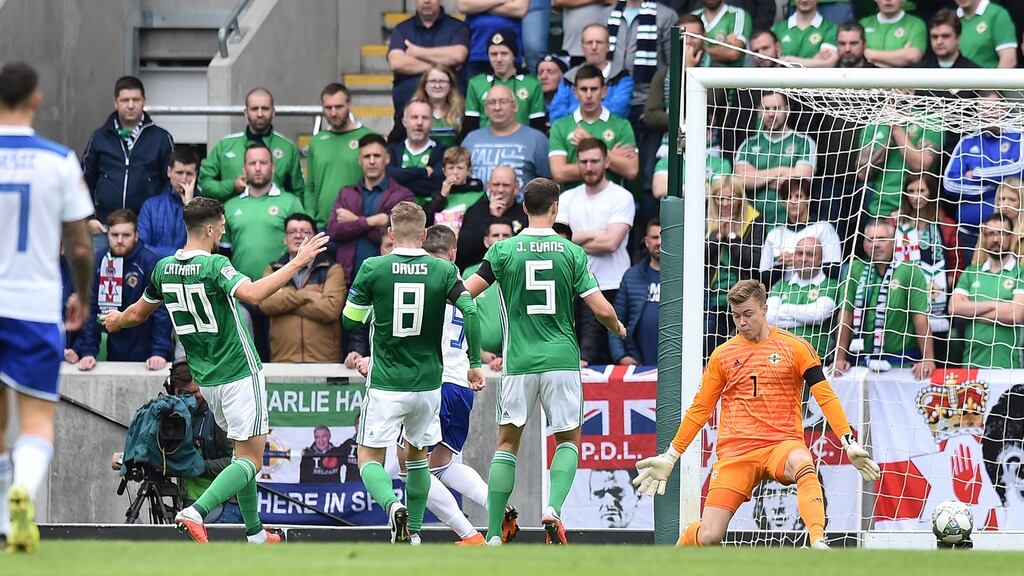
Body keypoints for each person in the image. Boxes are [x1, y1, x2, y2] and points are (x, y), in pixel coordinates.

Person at [102, 196, 331, 545]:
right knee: (252, 460)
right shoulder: (215, 266)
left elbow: (137, 314)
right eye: (221, 225)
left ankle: (255, 533)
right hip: (239, 371)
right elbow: (254, 294)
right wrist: (297, 262)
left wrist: (118, 319)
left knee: (242, 452)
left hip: (207, 379)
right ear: (209, 228)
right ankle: (195, 511)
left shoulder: (163, 268)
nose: (224, 230)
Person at [632, 279, 880, 548]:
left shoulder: (797, 348)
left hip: (781, 446)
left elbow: (825, 396)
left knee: (803, 461)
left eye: (748, 314)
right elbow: (700, 409)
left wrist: (848, 440)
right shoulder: (723, 355)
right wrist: (671, 456)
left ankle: (818, 540)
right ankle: (679, 553)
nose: (741, 322)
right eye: (736, 316)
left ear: (765, 308)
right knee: (710, 535)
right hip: (737, 453)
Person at [464, 177, 627, 545]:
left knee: (507, 446)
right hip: (562, 360)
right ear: (555, 208)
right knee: (568, 439)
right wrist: (616, 325)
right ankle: (552, 509)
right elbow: (599, 307)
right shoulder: (571, 252)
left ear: (524, 208)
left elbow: (469, 294)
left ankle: (491, 533)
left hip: (518, 362)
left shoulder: (503, 251)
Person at [341, 201, 483, 544]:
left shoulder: (373, 267)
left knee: (369, 460)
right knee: (419, 463)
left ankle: (393, 508)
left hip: (388, 383)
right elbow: (470, 312)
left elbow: (350, 320)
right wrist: (476, 363)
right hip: (429, 385)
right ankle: (415, 532)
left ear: (390, 233)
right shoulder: (445, 271)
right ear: (422, 234)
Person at [0, 62, 95, 553]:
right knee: (37, 421)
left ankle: (2, 519)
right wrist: (81, 295)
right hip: (35, 307)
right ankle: (22, 492)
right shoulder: (58, 160)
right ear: (36, 101)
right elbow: (80, 247)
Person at [223, 143, 306, 362]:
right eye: (252, 163)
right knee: (247, 359)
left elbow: (301, 244)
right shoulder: (230, 206)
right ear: (244, 168)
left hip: (280, 293)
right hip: (242, 293)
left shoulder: (290, 202)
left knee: (275, 358)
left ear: (273, 167)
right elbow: (223, 252)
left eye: (263, 162)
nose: (258, 168)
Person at [556, 138, 635, 365]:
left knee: (607, 357)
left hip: (612, 284)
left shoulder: (621, 196)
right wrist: (598, 233)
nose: (589, 167)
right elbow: (560, 242)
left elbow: (611, 243)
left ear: (607, 162)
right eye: (584, 161)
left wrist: (576, 239)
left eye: (595, 161)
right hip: (573, 285)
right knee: (578, 358)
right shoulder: (567, 198)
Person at [67, 209, 172, 371]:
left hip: (145, 348)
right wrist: (88, 351)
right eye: (114, 235)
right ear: (107, 234)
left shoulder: (149, 262)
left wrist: (159, 352)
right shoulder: (100, 261)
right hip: (113, 346)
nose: (120, 240)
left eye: (126, 235)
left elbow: (161, 311)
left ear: (136, 236)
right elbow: (90, 307)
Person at [82, 75, 174, 255]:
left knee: (143, 281)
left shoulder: (161, 139)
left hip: (145, 230)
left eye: (136, 100)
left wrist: (156, 220)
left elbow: (169, 184)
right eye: (125, 100)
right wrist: (89, 218)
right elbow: (84, 181)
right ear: (115, 102)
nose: (131, 105)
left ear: (144, 101)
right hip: (104, 229)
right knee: (99, 280)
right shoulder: (99, 138)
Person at [832, 218, 935, 378]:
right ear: (864, 244)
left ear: (894, 243)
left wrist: (928, 359)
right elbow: (845, 315)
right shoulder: (855, 269)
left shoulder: (910, 271)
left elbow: (920, 318)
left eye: (882, 239)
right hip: (862, 361)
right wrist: (839, 358)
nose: (876, 244)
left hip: (902, 362)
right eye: (870, 239)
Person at [893, 173, 963, 363]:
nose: (916, 196)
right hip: (903, 294)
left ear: (931, 192)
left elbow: (957, 260)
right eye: (911, 191)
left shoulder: (946, 225)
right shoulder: (895, 223)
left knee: (939, 352)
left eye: (921, 191)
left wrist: (949, 280)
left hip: (936, 295)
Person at [943, 91, 1024, 256]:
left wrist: (979, 174)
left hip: (1015, 236)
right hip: (969, 235)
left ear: (1005, 108)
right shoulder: (967, 142)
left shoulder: (1018, 137)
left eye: (994, 108)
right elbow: (949, 184)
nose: (989, 113)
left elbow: (1020, 169)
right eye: (984, 109)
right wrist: (993, 188)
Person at [327, 133, 415, 285]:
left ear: (386, 159)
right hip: (348, 278)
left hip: (388, 279)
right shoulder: (346, 194)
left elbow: (400, 238)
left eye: (377, 156)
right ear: (360, 160)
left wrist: (355, 221)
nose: (372, 161)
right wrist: (372, 221)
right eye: (367, 156)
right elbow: (334, 232)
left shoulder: (402, 196)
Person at [259, 213, 346, 363]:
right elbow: (266, 304)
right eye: (292, 231)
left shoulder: (332, 269)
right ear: (285, 239)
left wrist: (285, 301)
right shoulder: (273, 270)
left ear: (315, 238)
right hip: (283, 361)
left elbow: (330, 310)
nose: (298, 236)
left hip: (324, 361)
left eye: (305, 232)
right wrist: (307, 295)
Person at [198, 88, 305, 202]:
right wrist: (231, 186)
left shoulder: (287, 147)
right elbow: (204, 184)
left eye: (265, 109)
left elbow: (298, 192)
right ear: (246, 112)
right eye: (254, 109)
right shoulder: (225, 145)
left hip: (276, 216)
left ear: (273, 112)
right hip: (232, 216)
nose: (260, 114)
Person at [949, 212, 1024, 369]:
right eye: (991, 234)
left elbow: (1015, 315)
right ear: (984, 237)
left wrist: (972, 312)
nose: (996, 239)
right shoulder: (970, 272)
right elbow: (954, 308)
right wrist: (998, 305)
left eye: (1002, 233)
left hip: (1009, 367)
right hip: (971, 366)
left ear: (1011, 237)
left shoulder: (1020, 272)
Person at [734, 91, 817, 227]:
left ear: (787, 111)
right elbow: (740, 180)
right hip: (752, 225)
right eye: (766, 109)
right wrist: (783, 171)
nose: (771, 114)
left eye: (776, 108)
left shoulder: (804, 142)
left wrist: (756, 177)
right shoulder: (748, 145)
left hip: (789, 224)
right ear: (759, 112)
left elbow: (800, 183)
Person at [549, 65, 639, 188]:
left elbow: (631, 170)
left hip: (611, 202)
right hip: (574, 203)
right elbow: (559, 173)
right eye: (584, 89)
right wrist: (609, 159)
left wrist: (590, 141)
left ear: (603, 91)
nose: (589, 95)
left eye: (594, 89)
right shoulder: (560, 126)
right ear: (575, 92)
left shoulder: (622, 125)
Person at [705, 176, 766, 356]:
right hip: (711, 300)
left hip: (743, 300)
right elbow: (697, 257)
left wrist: (732, 237)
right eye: (719, 198)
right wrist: (717, 237)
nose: (724, 203)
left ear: (740, 199)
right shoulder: (704, 218)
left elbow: (754, 262)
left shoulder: (755, 219)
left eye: (731, 198)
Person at [387, 0, 470, 130]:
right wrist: (444, 65)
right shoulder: (402, 29)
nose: (426, 1)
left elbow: (458, 55)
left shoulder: (458, 27)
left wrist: (416, 51)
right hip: (407, 116)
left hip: (450, 117)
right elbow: (396, 63)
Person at [306, 83, 376, 230]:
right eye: (328, 108)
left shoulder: (369, 138)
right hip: (322, 226)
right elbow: (310, 186)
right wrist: (310, 218)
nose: (333, 113)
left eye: (338, 107)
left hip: (356, 224)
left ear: (350, 105)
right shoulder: (317, 141)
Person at [461, 84, 552, 195]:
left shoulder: (537, 139)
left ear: (515, 106)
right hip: (475, 209)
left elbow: (548, 185)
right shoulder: (471, 139)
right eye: (491, 103)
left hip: (520, 210)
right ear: (485, 109)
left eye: (503, 102)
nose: (497, 107)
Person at [857, 103, 943, 219]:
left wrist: (897, 130)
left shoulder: (930, 120)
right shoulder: (874, 124)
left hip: (917, 211)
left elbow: (921, 164)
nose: (901, 92)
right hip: (881, 209)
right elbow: (862, 173)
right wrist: (890, 140)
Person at [758, 178, 843, 289]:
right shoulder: (774, 234)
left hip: (817, 293)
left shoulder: (824, 228)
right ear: (783, 202)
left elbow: (834, 271)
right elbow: (763, 280)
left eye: (798, 196)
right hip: (781, 296)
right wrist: (780, 266)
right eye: (788, 197)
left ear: (807, 199)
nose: (793, 201)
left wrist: (798, 260)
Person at [766, 237, 840, 361]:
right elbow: (769, 318)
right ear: (794, 256)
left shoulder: (831, 284)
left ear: (821, 259)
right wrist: (805, 320)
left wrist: (783, 308)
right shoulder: (780, 285)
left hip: (815, 359)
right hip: (780, 358)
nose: (804, 259)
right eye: (800, 253)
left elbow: (818, 315)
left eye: (810, 254)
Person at [464, 29, 547, 134]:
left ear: (514, 55)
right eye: (494, 54)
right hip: (486, 144)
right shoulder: (476, 84)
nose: (498, 59)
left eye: (504, 53)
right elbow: (471, 127)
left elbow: (537, 126)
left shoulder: (532, 84)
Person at [549, 24, 634, 122]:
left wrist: (574, 110)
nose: (594, 47)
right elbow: (556, 116)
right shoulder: (569, 78)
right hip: (573, 134)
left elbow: (618, 112)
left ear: (608, 46)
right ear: (582, 47)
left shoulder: (622, 77)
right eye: (589, 43)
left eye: (599, 42)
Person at [463, 218, 515, 370]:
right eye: (495, 235)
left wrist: (504, 354)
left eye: (505, 235)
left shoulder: (520, 272)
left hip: (512, 358)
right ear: (486, 241)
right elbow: (461, 316)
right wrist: (477, 352)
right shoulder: (470, 273)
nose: (500, 239)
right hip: (475, 359)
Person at [456, 167, 529, 270]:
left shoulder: (524, 214)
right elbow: (463, 250)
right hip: (478, 271)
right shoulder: (475, 211)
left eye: (506, 185)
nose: (500, 190)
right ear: (488, 186)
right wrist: (492, 218)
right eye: (496, 185)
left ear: (516, 187)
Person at [610, 218, 661, 366]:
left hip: (677, 364)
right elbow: (615, 320)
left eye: (664, 236)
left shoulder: (687, 277)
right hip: (637, 365)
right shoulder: (632, 276)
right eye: (654, 237)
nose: (659, 242)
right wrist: (621, 356)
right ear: (646, 242)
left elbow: (706, 319)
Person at [138, 149, 198, 259]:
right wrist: (177, 254)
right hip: (156, 271)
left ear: (196, 175)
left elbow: (203, 248)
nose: (184, 179)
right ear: (169, 172)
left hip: (190, 272)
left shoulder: (205, 207)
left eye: (189, 174)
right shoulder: (151, 206)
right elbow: (142, 247)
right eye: (179, 173)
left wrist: (191, 207)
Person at [387, 100, 447, 202]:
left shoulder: (442, 152)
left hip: (430, 212)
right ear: (404, 122)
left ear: (432, 123)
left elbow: (436, 184)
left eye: (425, 118)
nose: (419, 123)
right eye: (414, 117)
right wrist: (423, 172)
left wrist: (401, 179)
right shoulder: (392, 150)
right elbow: (387, 178)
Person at [457, 0, 529, 78]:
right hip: (476, 51)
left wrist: (479, 6)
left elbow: (520, 10)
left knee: (508, 90)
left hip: (509, 51)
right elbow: (463, 5)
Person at [425, 146, 486, 233]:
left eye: (460, 168)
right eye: (451, 168)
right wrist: (441, 196)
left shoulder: (478, 195)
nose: (455, 172)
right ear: (444, 171)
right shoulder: (434, 194)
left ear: (469, 170)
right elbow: (426, 220)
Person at [771, 0, 839, 68]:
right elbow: (768, 59)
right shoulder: (777, 29)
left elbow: (828, 62)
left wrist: (786, 59)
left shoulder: (830, 28)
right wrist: (812, 62)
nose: (804, 0)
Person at [860, 0, 926, 68]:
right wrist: (900, 57)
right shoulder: (863, 23)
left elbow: (912, 56)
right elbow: (855, 55)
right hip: (868, 77)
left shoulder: (916, 24)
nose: (888, 0)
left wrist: (871, 55)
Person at [411, 66, 465, 148]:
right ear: (424, 85)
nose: (437, 86)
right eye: (432, 81)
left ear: (450, 85)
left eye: (442, 81)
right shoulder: (412, 111)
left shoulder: (461, 111)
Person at [954, 0, 1017, 69]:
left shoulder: (997, 14)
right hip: (953, 79)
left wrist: (995, 79)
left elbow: (1009, 60)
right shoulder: (951, 17)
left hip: (987, 79)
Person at [691, 0, 751, 68]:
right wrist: (723, 48)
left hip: (729, 76)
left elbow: (733, 52)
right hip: (697, 76)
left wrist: (696, 51)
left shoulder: (737, 14)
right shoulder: (693, 16)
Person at [537, 52, 571, 118]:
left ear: (563, 76)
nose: (543, 77)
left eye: (550, 72)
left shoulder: (572, 105)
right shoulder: (532, 105)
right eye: (540, 73)